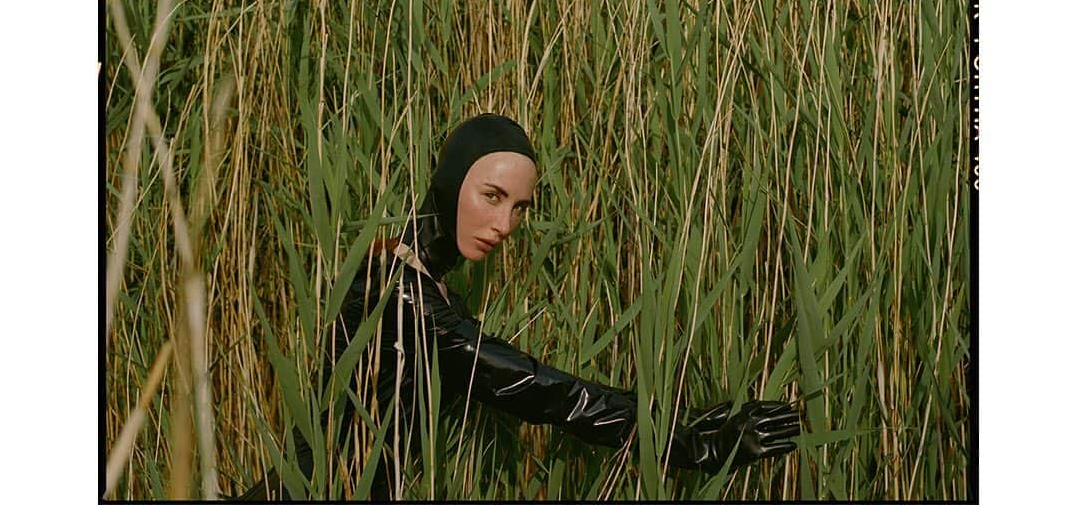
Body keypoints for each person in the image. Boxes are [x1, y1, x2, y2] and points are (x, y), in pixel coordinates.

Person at [235, 113, 800, 499]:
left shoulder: (422, 281)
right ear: (453, 182)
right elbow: (541, 390)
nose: (505, 225)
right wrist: (695, 446)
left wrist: (690, 420)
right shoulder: (393, 287)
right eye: (492, 196)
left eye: (520, 207)